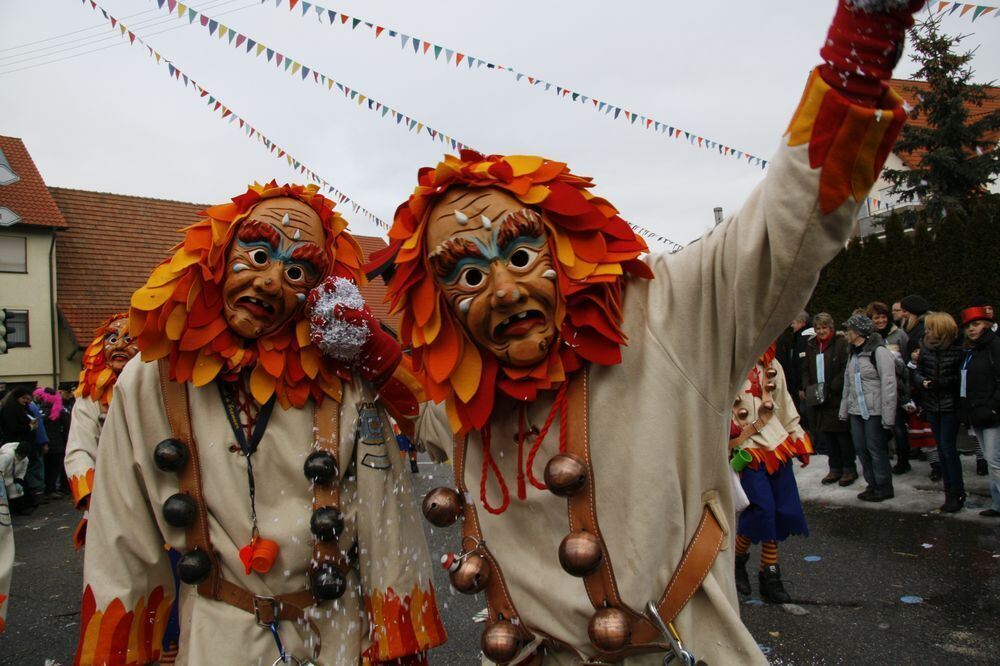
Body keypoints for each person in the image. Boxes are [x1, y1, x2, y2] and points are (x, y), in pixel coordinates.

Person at [369, 2, 920, 661]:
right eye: (464, 275)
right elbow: (408, 403)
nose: (505, 290)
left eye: (520, 257)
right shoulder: (463, 392)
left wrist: (859, 54)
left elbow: (787, 224)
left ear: (564, 245)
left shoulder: (668, 313)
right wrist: (365, 348)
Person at [74, 182, 445, 665]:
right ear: (218, 256)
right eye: (256, 254)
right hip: (214, 640)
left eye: (296, 271)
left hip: (336, 637)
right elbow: (120, 539)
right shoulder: (150, 379)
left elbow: (395, 510)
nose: (271, 281)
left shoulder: (342, 375)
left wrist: (379, 355)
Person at [731, 348, 811, 603]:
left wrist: (797, 436)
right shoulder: (728, 359)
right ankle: (736, 561)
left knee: (782, 510)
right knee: (761, 509)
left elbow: (784, 402)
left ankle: (770, 573)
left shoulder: (772, 363)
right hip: (746, 447)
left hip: (777, 444)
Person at [63, 313, 138, 547]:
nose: (119, 345)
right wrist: (94, 496)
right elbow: (78, 450)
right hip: (109, 504)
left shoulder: (161, 390)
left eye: (129, 339)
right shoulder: (90, 399)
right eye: (112, 339)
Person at [839, 314, 897, 502]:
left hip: (874, 410)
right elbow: (847, 383)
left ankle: (884, 486)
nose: (846, 333)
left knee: (876, 449)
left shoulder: (878, 352)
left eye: (849, 330)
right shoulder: (852, 353)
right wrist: (844, 410)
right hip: (856, 410)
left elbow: (888, 384)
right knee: (861, 449)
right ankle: (872, 484)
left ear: (858, 332)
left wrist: (888, 416)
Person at [913, 312, 966, 512]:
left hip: (950, 406)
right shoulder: (925, 347)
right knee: (942, 449)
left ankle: (957, 492)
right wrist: (923, 382)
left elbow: (959, 379)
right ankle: (949, 492)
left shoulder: (957, 349)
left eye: (930, 327)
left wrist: (939, 384)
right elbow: (917, 372)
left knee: (947, 448)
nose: (926, 331)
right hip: (931, 404)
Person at [802, 313, 856, 485]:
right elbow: (806, 369)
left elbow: (844, 368)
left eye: (824, 327)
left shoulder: (841, 344)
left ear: (830, 327)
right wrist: (807, 387)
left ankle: (849, 469)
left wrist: (833, 387)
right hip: (818, 397)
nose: (821, 331)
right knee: (827, 435)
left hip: (835, 396)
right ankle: (834, 468)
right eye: (818, 328)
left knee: (841, 435)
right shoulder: (811, 345)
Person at [959, 304, 1000, 518]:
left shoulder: (995, 346)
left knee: (995, 461)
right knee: (990, 459)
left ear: (987, 324)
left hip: (992, 413)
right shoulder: (972, 350)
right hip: (978, 412)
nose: (971, 330)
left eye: (976, 324)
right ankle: (997, 503)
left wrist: (993, 406)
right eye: (968, 326)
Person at [868, 302, 911, 474]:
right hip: (876, 388)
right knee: (881, 428)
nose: (881, 321)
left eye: (883, 317)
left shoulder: (899, 334)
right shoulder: (870, 337)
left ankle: (904, 460)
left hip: (897, 387)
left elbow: (907, 360)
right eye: (876, 317)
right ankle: (884, 459)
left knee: (899, 427)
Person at [33, 388, 70, 499]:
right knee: (55, 468)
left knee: (47, 467)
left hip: (45, 443)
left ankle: (48, 489)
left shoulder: (39, 410)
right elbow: (68, 426)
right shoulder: (60, 410)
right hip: (57, 443)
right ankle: (51, 489)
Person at [900, 294, 930, 360]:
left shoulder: (922, 329)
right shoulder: (912, 327)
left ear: (913, 312)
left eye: (904, 311)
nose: (901, 314)